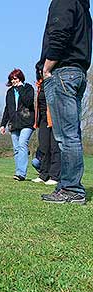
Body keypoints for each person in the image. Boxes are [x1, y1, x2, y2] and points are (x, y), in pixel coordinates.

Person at [36, 0, 92, 204]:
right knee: (71, 135)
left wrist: (47, 68)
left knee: (66, 136)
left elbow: (59, 34)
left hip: (63, 72)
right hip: (77, 72)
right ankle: (67, 185)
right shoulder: (82, 5)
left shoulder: (64, 1)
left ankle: (71, 189)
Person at [0, 69, 35, 181]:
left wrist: (20, 89)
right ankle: (18, 171)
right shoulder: (9, 92)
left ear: (20, 78)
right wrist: (3, 124)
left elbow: (28, 102)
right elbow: (7, 108)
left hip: (26, 121)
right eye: (12, 79)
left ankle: (21, 173)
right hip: (14, 123)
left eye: (15, 78)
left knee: (22, 144)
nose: (13, 80)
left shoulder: (28, 88)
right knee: (16, 149)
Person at [31, 80, 61, 185]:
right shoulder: (40, 86)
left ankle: (55, 176)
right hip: (43, 119)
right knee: (44, 147)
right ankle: (43, 175)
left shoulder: (55, 82)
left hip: (54, 118)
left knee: (54, 148)